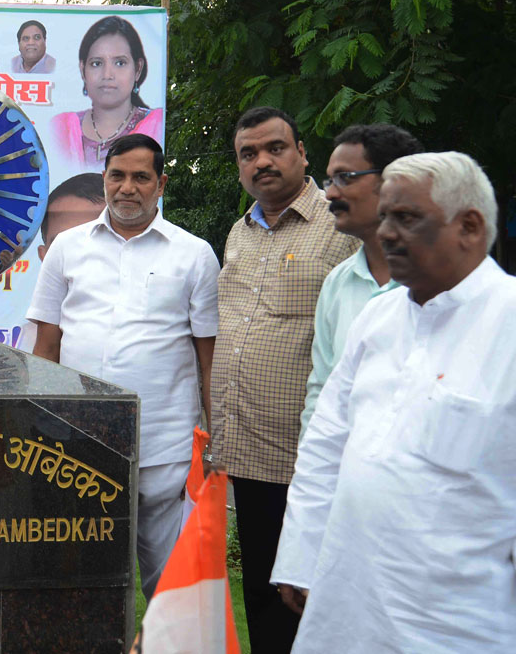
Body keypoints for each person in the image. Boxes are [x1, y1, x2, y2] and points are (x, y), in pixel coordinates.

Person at [272, 152, 516, 652]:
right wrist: (300, 553)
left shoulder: (507, 322)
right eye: (384, 216)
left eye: (406, 218)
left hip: (459, 623)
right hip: (347, 600)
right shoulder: (377, 318)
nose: (384, 233)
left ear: (469, 227)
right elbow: (325, 444)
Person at [27, 135, 219, 599]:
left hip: (164, 447)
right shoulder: (67, 248)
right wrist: (41, 430)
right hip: (77, 443)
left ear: (161, 184)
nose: (127, 187)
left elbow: (209, 359)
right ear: (104, 179)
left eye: (140, 177)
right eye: (117, 176)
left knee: (170, 588)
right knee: (81, 580)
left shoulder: (194, 254)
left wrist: (216, 439)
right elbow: (46, 346)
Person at [207, 106, 357, 653]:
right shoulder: (239, 232)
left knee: (314, 603)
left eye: (275, 148)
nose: (262, 162)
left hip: (309, 460)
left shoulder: (341, 228)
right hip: (248, 455)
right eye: (248, 154)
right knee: (264, 597)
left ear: (302, 153)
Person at [300, 123, 423, 435]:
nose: (330, 193)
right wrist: (311, 460)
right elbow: (322, 391)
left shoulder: (442, 284)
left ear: (396, 181)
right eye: (330, 180)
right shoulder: (338, 284)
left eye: (345, 177)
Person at [49, 16, 164, 171]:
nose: (107, 75)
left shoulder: (157, 125)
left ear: (138, 69)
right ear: (83, 70)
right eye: (96, 63)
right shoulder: (61, 128)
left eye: (120, 63)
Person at [14, 172, 106, 352]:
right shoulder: (26, 344)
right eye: (62, 246)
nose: (80, 258)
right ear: (44, 256)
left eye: (97, 240)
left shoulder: (155, 330)